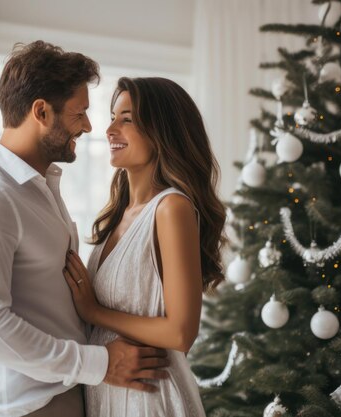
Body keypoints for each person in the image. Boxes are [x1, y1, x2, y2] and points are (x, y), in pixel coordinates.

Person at [0, 42, 170, 417]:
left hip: (64, 396)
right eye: (80, 113)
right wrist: (100, 364)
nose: (90, 126)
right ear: (42, 112)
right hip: (22, 408)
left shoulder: (38, 186)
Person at [63, 77, 227, 417]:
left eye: (127, 119)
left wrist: (93, 311)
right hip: (108, 397)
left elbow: (181, 333)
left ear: (162, 132)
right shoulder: (119, 216)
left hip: (151, 400)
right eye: (112, 116)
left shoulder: (171, 209)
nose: (109, 129)